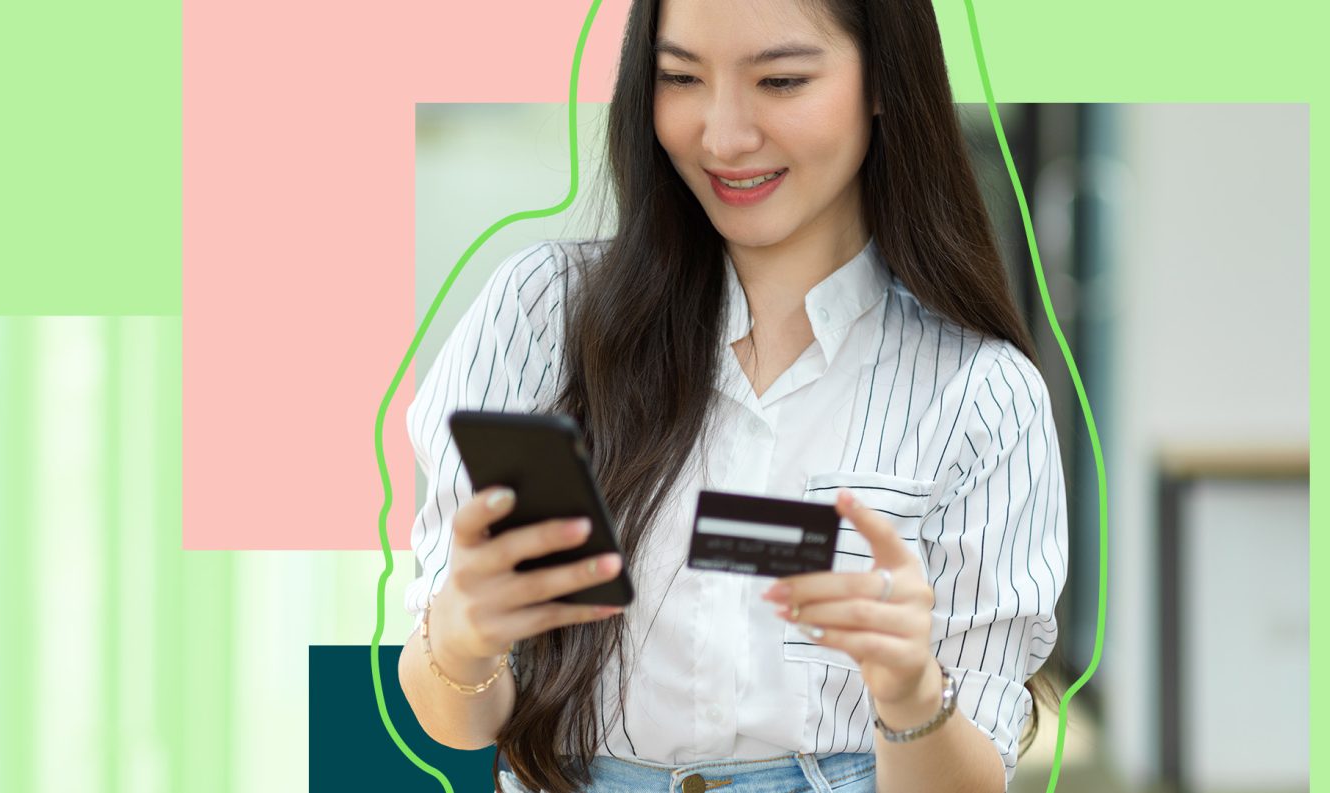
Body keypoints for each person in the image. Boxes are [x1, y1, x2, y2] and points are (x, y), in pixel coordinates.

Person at [397, 0, 1067, 791]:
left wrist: (910, 690)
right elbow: (458, 718)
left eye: (780, 80)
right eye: (680, 77)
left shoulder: (980, 397)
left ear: (884, 78)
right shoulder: (542, 316)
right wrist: (463, 638)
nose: (722, 136)